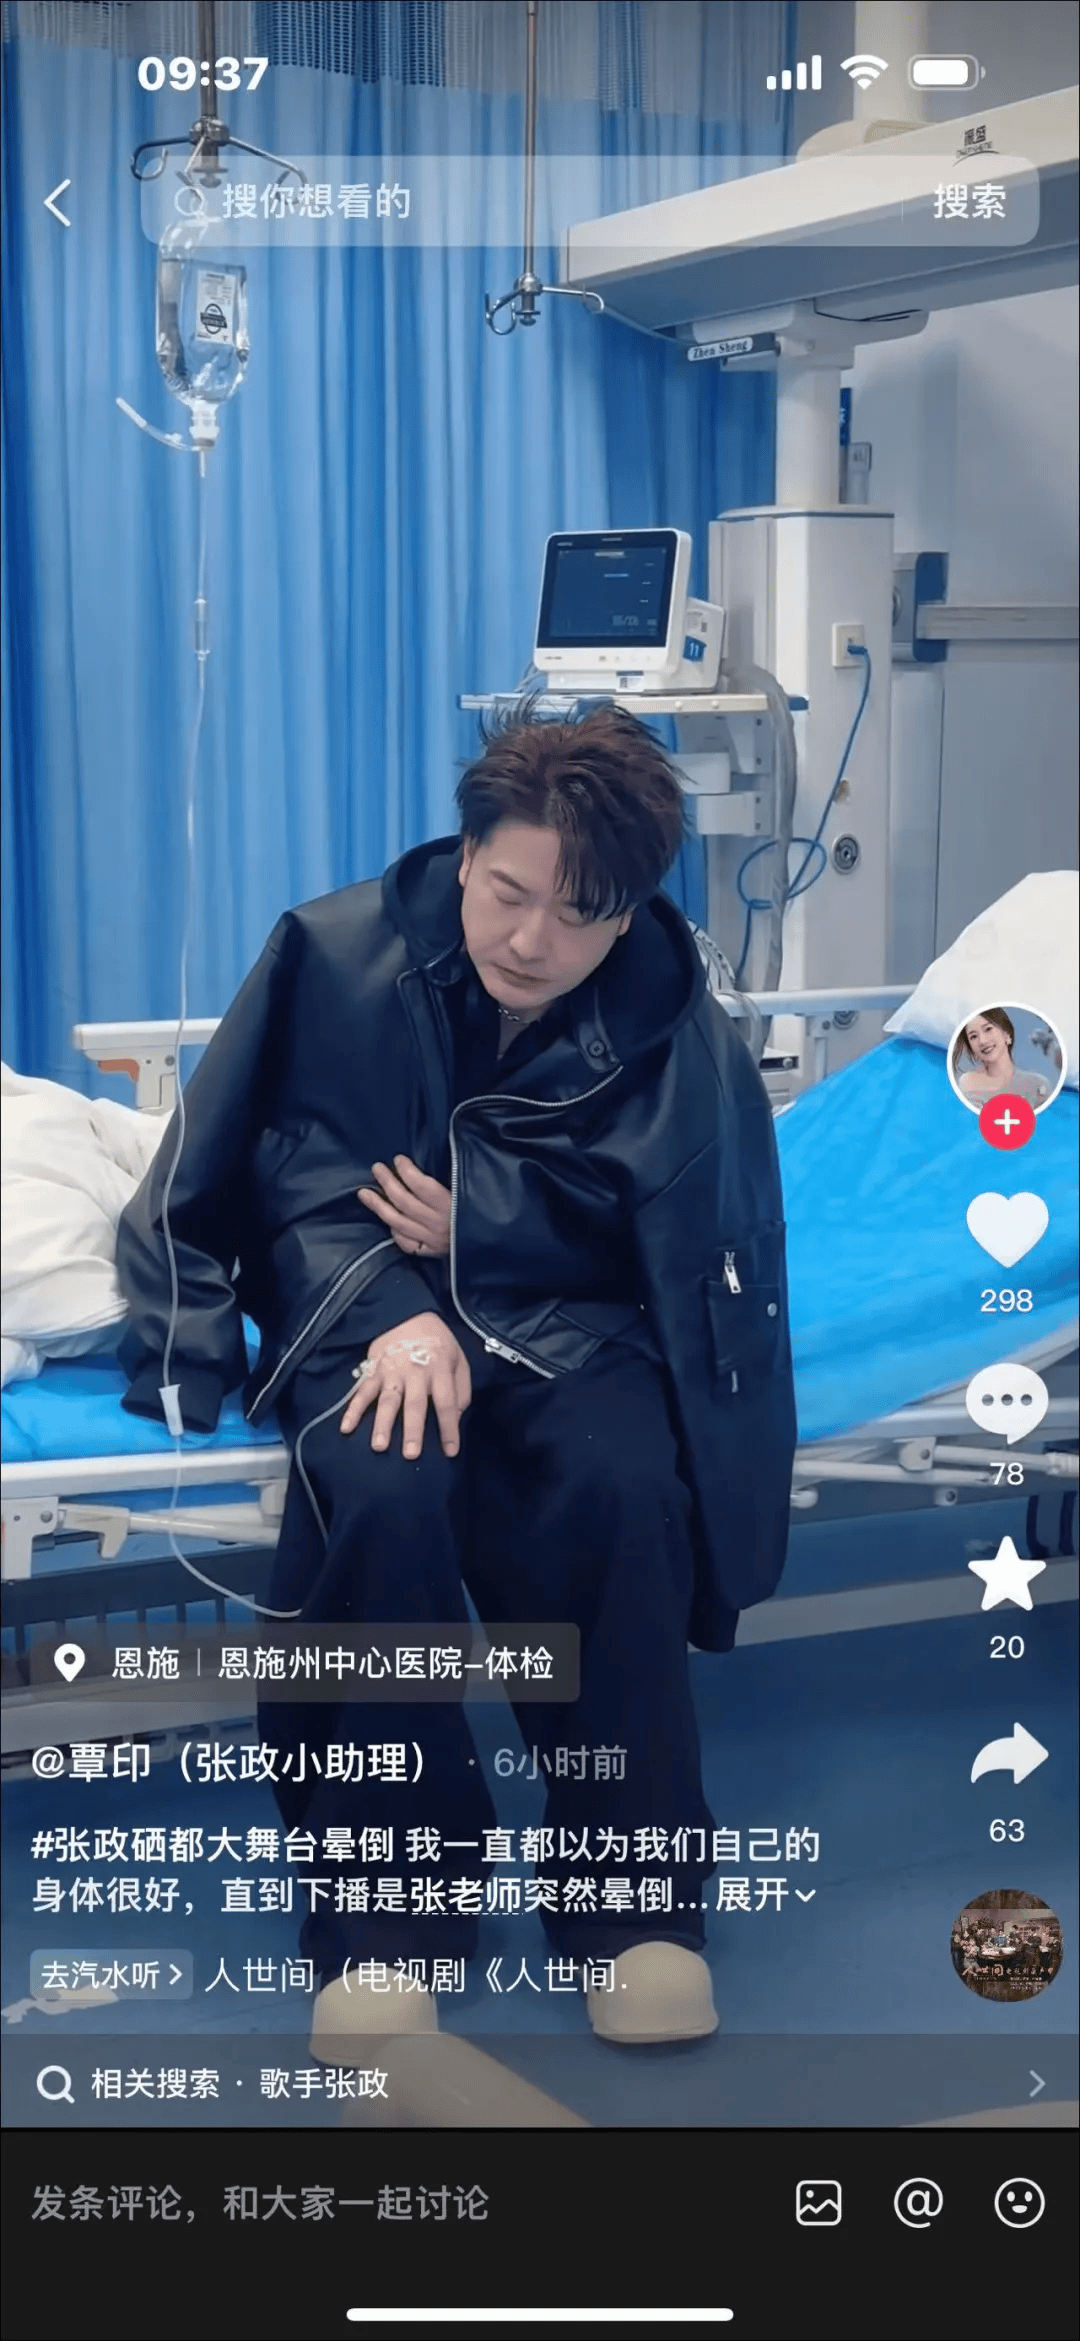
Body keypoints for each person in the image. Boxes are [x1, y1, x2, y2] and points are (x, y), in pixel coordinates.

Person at [115, 700, 796, 2066]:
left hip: (569, 1323)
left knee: (622, 1491)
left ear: (630, 916)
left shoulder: (672, 1015)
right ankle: (387, 1920)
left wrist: (483, 1225)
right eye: (509, 894)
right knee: (382, 1491)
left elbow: (693, 1240)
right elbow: (267, 1179)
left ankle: (632, 1911)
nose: (532, 941)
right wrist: (394, 1311)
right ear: (467, 854)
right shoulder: (334, 954)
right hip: (361, 1310)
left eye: (580, 916)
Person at [952, 1009, 1052, 1107]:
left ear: (1006, 1035)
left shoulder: (1037, 1085)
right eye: (974, 1036)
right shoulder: (968, 1083)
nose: (982, 1041)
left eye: (988, 1029)